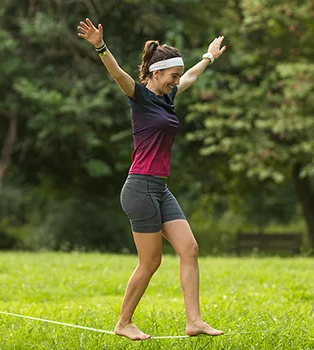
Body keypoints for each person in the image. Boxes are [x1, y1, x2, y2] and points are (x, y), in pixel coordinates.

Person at [76, 18, 226, 341]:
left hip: (160, 188)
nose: (175, 81)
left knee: (189, 248)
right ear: (157, 73)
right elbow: (117, 74)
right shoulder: (140, 97)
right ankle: (123, 322)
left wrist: (209, 57)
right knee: (151, 261)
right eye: (172, 76)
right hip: (140, 187)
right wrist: (100, 46)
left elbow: (190, 77)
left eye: (176, 77)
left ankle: (194, 321)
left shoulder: (168, 97)